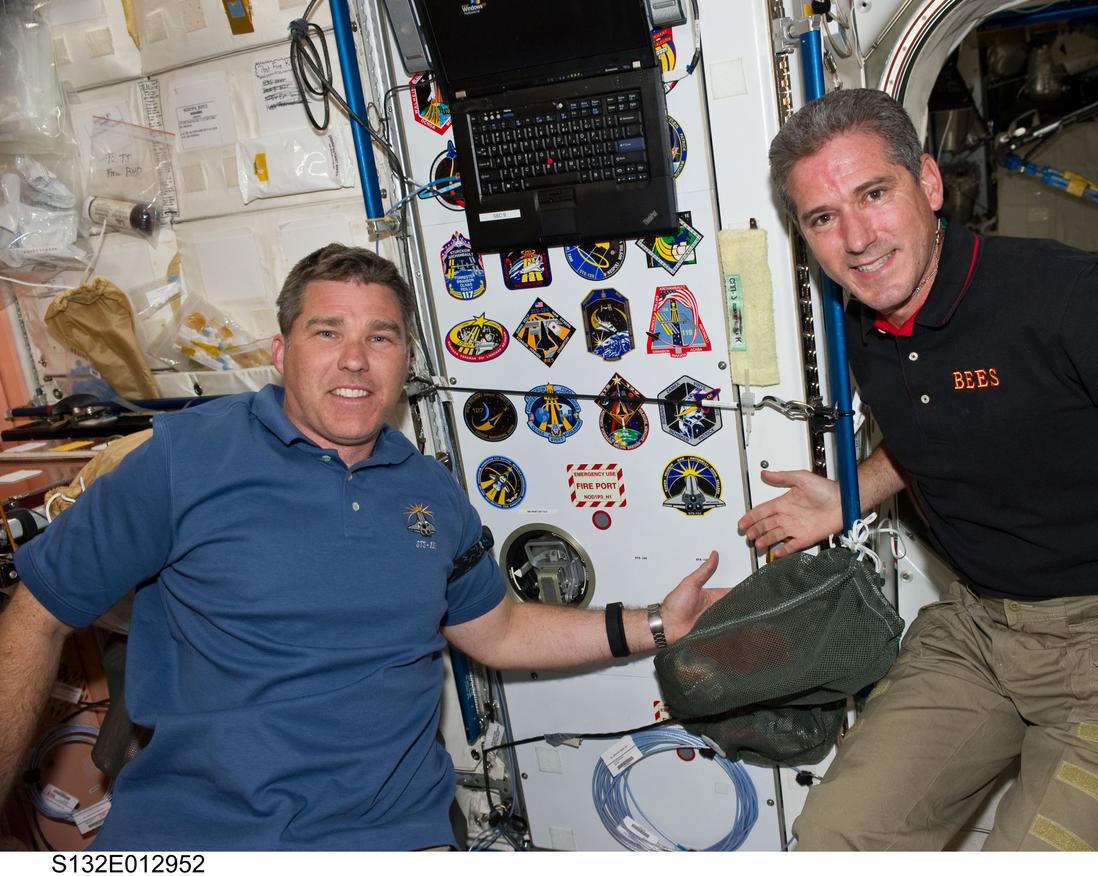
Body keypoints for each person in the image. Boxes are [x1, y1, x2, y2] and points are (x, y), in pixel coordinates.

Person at [0, 243, 725, 850]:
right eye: (328, 332)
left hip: (394, 838)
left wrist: (660, 622)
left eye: (379, 337)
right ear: (281, 351)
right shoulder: (183, 459)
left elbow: (499, 629)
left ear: (403, 359)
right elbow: (37, 614)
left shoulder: (429, 492)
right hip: (203, 837)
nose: (355, 360)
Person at [739, 88, 1098, 850]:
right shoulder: (866, 323)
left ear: (928, 184)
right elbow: (945, 423)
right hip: (976, 632)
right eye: (823, 218)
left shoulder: (1077, 304)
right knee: (833, 840)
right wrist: (851, 494)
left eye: (873, 194)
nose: (856, 238)